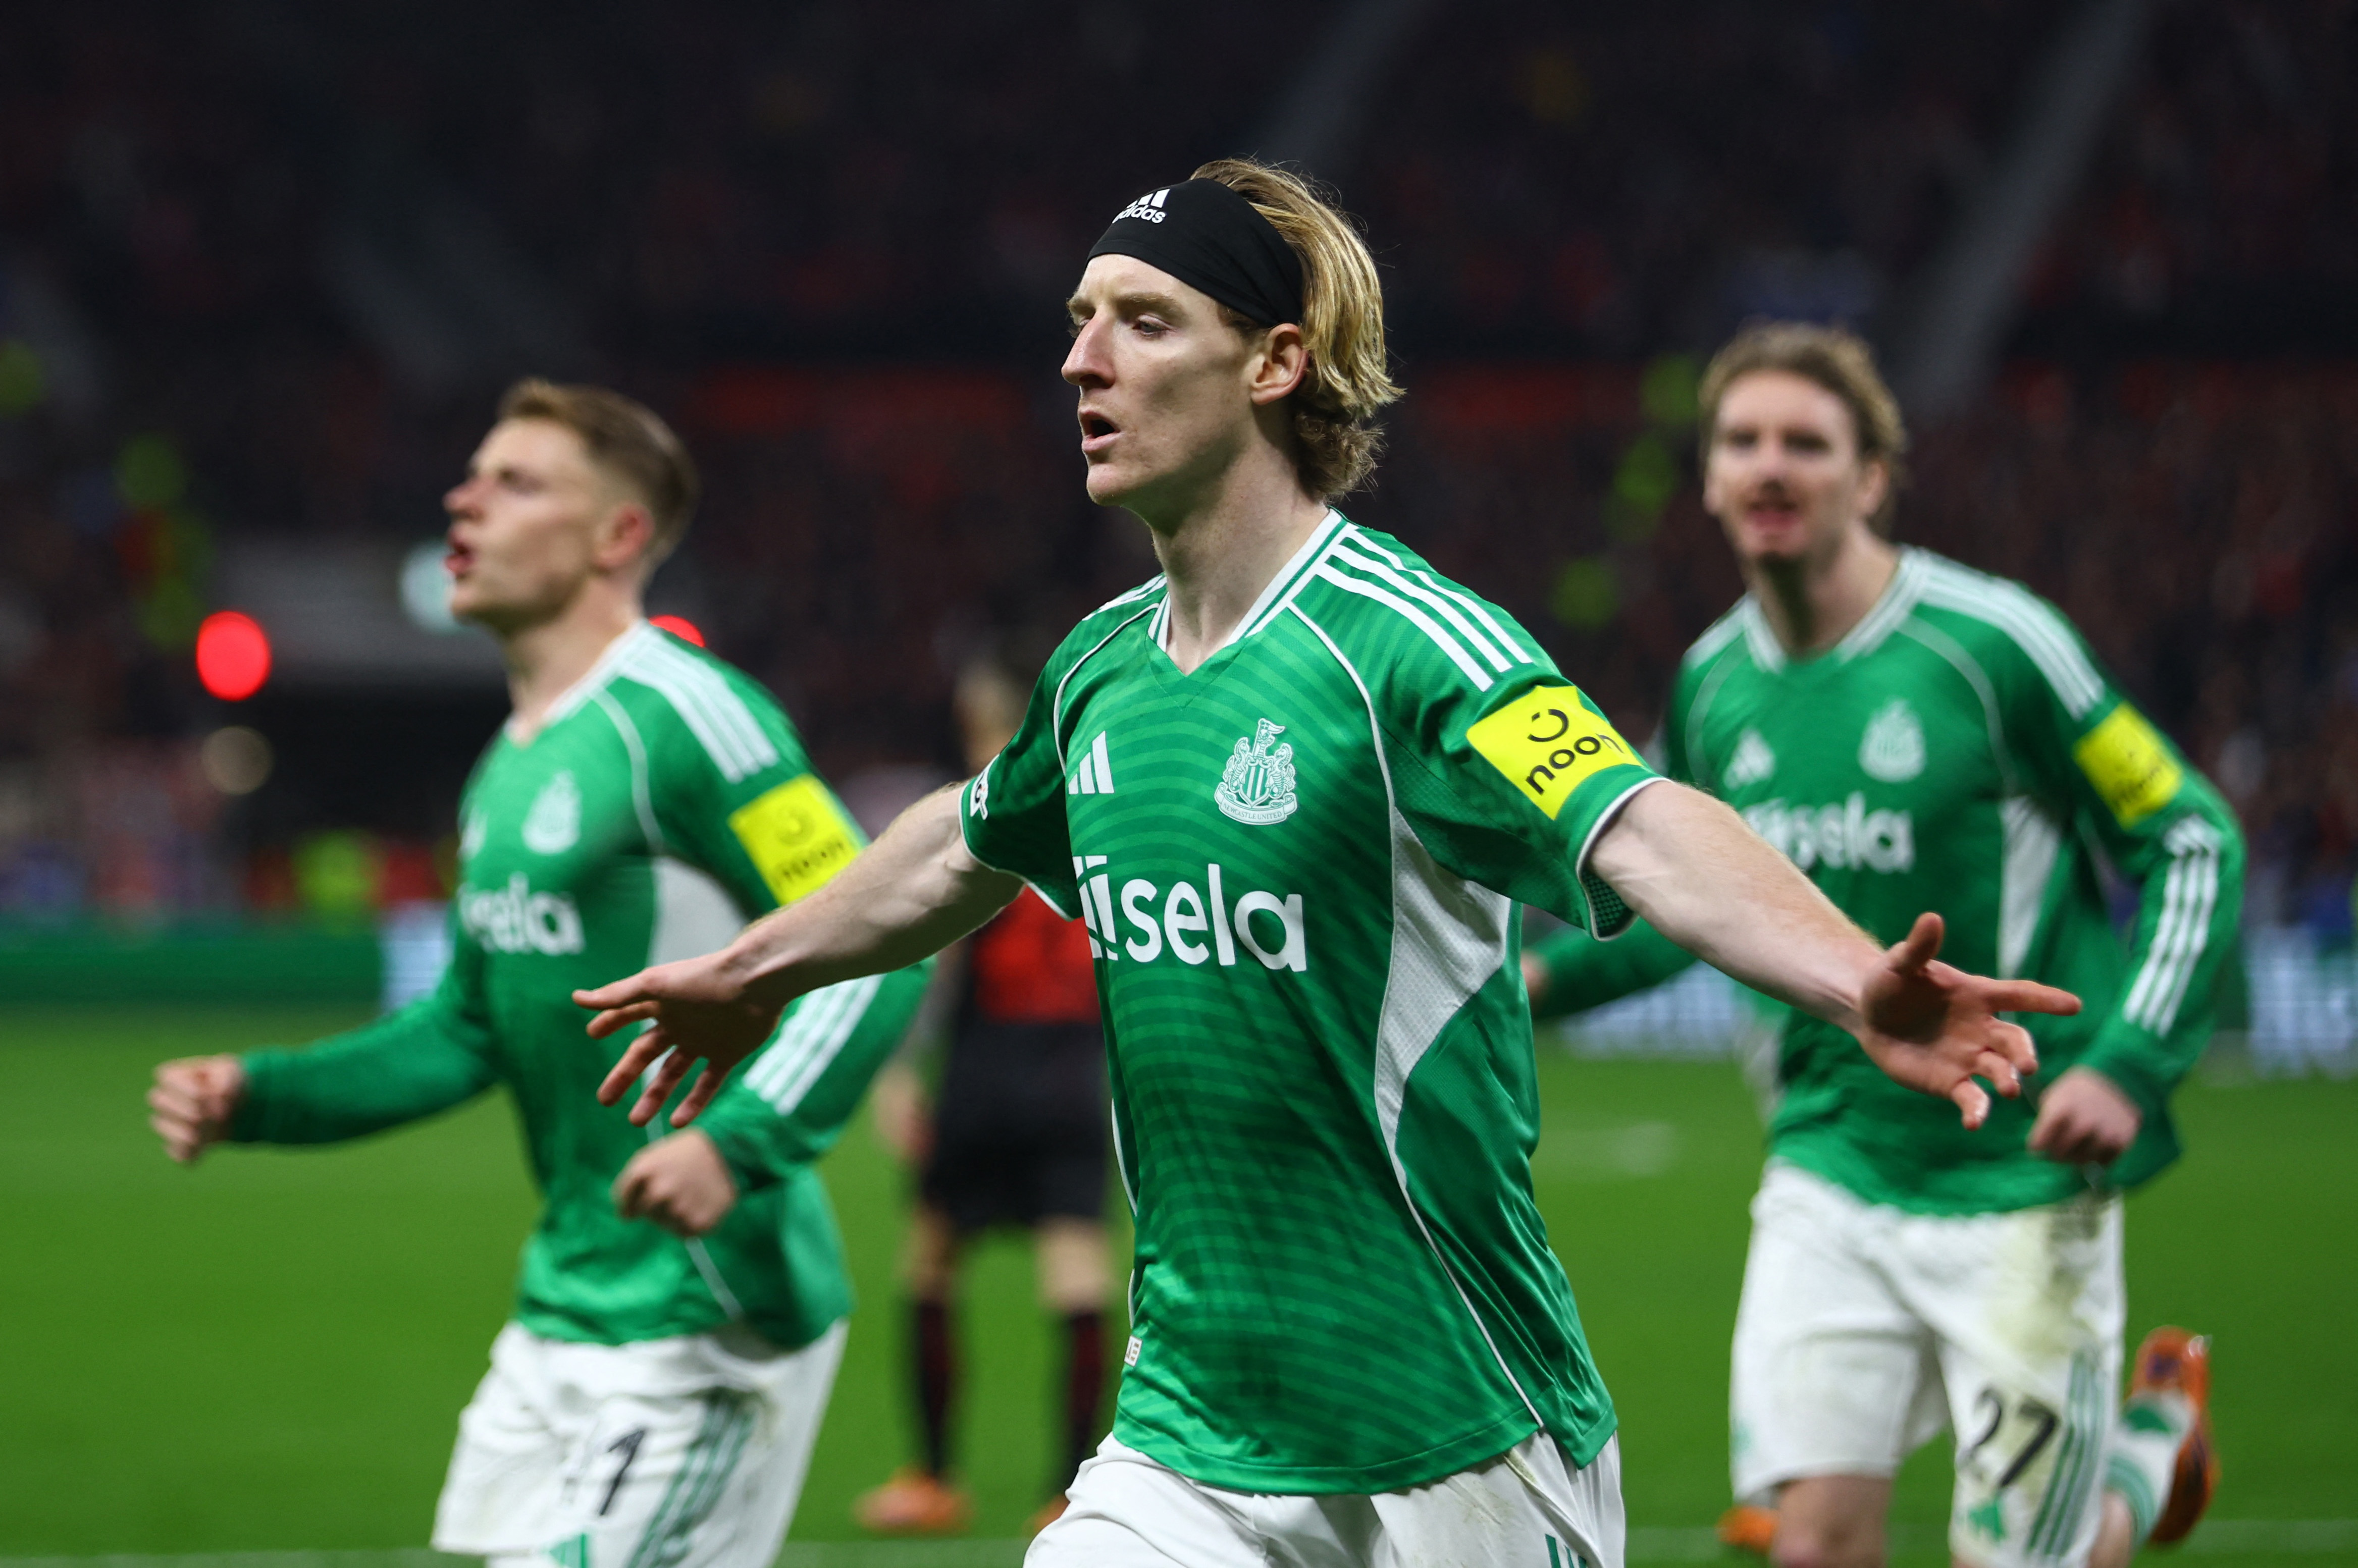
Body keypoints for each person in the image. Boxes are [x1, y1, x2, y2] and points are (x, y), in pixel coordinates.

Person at [573, 163, 2071, 1568]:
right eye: (1080, 320)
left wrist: (1849, 979)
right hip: (1190, 1429)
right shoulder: (1096, 672)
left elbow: (1633, 818)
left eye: (1143, 321)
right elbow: (960, 845)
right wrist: (751, 968)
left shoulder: (1403, 641)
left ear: (1276, 363)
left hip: (1458, 1432)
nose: (1082, 361)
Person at [146, 380, 929, 1568]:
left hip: (701, 1301)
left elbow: (880, 945)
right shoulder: (505, 767)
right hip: (563, 1308)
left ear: (618, 534)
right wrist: (260, 1096)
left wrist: (736, 1144)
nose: (464, 501)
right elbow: (466, 1028)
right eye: (472, 478)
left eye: (516, 483)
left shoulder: (683, 716)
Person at [1524, 322, 2236, 1568]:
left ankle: (2143, 1454)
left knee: (2024, 1558)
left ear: (1869, 480)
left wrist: (2127, 1066)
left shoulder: (1994, 646)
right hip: (1828, 1170)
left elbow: (2189, 836)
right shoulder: (1710, 684)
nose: (1769, 465)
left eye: (1805, 443)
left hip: (2016, 1171)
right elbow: (1684, 904)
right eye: (1741, 441)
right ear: (1707, 480)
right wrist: (1526, 983)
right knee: (1809, 1549)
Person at [856, 654, 1113, 1538]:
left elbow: (936, 952)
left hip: (985, 1068)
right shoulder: (1100, 808)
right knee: (1076, 1274)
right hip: (1076, 1070)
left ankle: (933, 1478)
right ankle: (1070, 1492)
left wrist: (901, 1071)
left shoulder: (987, 810)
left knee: (932, 1263)